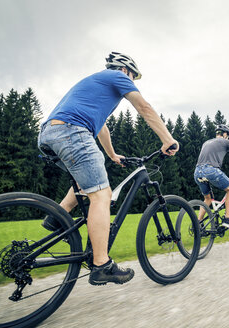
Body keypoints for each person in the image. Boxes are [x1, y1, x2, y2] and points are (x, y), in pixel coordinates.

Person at [38, 52, 179, 286]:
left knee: (89, 184)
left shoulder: (95, 85)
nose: (132, 82)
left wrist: (112, 155)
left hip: (49, 133)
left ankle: (56, 219)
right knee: (101, 195)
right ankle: (102, 265)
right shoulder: (117, 76)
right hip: (72, 131)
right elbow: (144, 108)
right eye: (133, 77)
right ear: (126, 70)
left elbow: (101, 126)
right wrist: (167, 139)